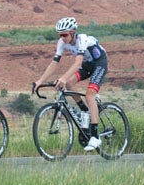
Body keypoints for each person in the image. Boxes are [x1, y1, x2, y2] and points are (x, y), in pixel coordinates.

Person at [32, 17, 108, 151]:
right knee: (69, 84)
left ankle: (95, 137)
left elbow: (78, 63)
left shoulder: (82, 39)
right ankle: (85, 110)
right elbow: (54, 63)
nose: (63, 37)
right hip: (88, 65)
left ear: (73, 32)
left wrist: (63, 78)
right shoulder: (61, 43)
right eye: (60, 35)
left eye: (65, 34)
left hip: (99, 63)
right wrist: (40, 81)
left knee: (89, 95)